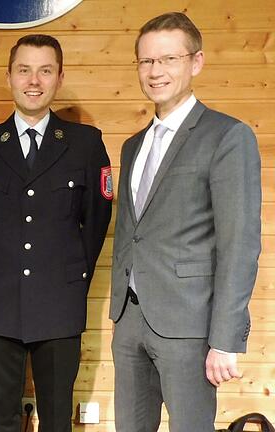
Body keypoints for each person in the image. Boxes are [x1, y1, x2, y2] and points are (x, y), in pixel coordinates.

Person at [110, 12, 261, 431]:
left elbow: (241, 242)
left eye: (168, 59)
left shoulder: (227, 136)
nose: (156, 71)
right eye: (146, 61)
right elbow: (133, 234)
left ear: (196, 62)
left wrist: (226, 339)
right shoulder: (132, 146)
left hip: (190, 325)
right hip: (130, 320)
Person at [0, 35, 112, 432]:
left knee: (57, 415)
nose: (34, 80)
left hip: (59, 302)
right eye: (24, 70)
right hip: (0, 301)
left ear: (59, 78)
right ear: (9, 77)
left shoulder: (85, 143)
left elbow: (96, 220)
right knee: (1, 415)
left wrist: (71, 274)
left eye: (45, 70)